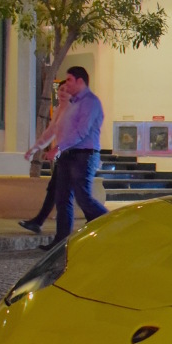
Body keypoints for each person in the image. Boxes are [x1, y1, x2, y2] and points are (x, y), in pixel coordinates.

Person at [44, 66, 108, 250]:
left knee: (83, 197)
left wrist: (57, 147)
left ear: (81, 81)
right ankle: (61, 242)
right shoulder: (73, 103)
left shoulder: (90, 103)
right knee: (62, 198)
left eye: (70, 80)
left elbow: (81, 131)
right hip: (68, 153)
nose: (67, 84)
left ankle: (111, 223)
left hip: (84, 154)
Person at [16, 78, 75, 235]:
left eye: (67, 90)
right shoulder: (59, 110)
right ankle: (38, 222)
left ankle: (94, 222)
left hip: (75, 157)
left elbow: (74, 136)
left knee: (72, 197)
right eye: (61, 89)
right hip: (64, 156)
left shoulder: (73, 111)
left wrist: (56, 149)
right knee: (54, 189)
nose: (62, 93)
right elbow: (49, 133)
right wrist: (34, 149)